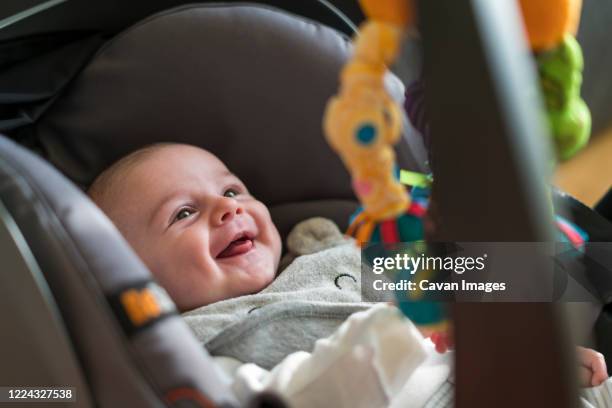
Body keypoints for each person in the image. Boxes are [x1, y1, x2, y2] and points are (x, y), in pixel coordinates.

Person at [88, 142, 611, 407]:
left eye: (231, 191)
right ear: (134, 279)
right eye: (183, 213)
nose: (227, 211)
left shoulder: (337, 256)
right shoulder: (192, 350)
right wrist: (399, 330)